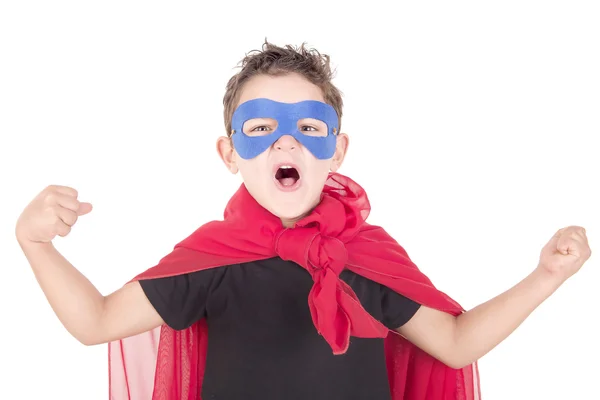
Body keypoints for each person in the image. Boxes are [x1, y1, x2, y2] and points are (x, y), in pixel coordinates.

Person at [16, 41, 591, 400]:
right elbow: (96, 323)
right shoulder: (211, 257)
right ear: (230, 153)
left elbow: (457, 344)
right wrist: (35, 243)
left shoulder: (366, 256)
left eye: (308, 129)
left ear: (337, 151)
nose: (286, 141)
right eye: (261, 128)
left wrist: (546, 276)